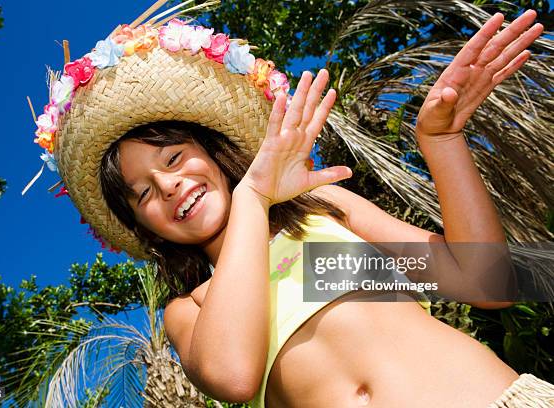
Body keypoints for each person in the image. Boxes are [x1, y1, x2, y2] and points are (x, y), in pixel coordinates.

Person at [32, 4, 554, 407]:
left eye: (173, 157)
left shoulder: (321, 210)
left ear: (217, 157)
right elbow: (234, 376)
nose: (167, 186)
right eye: (142, 192)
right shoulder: (192, 311)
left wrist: (442, 141)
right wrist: (253, 199)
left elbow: (488, 285)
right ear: (142, 226)